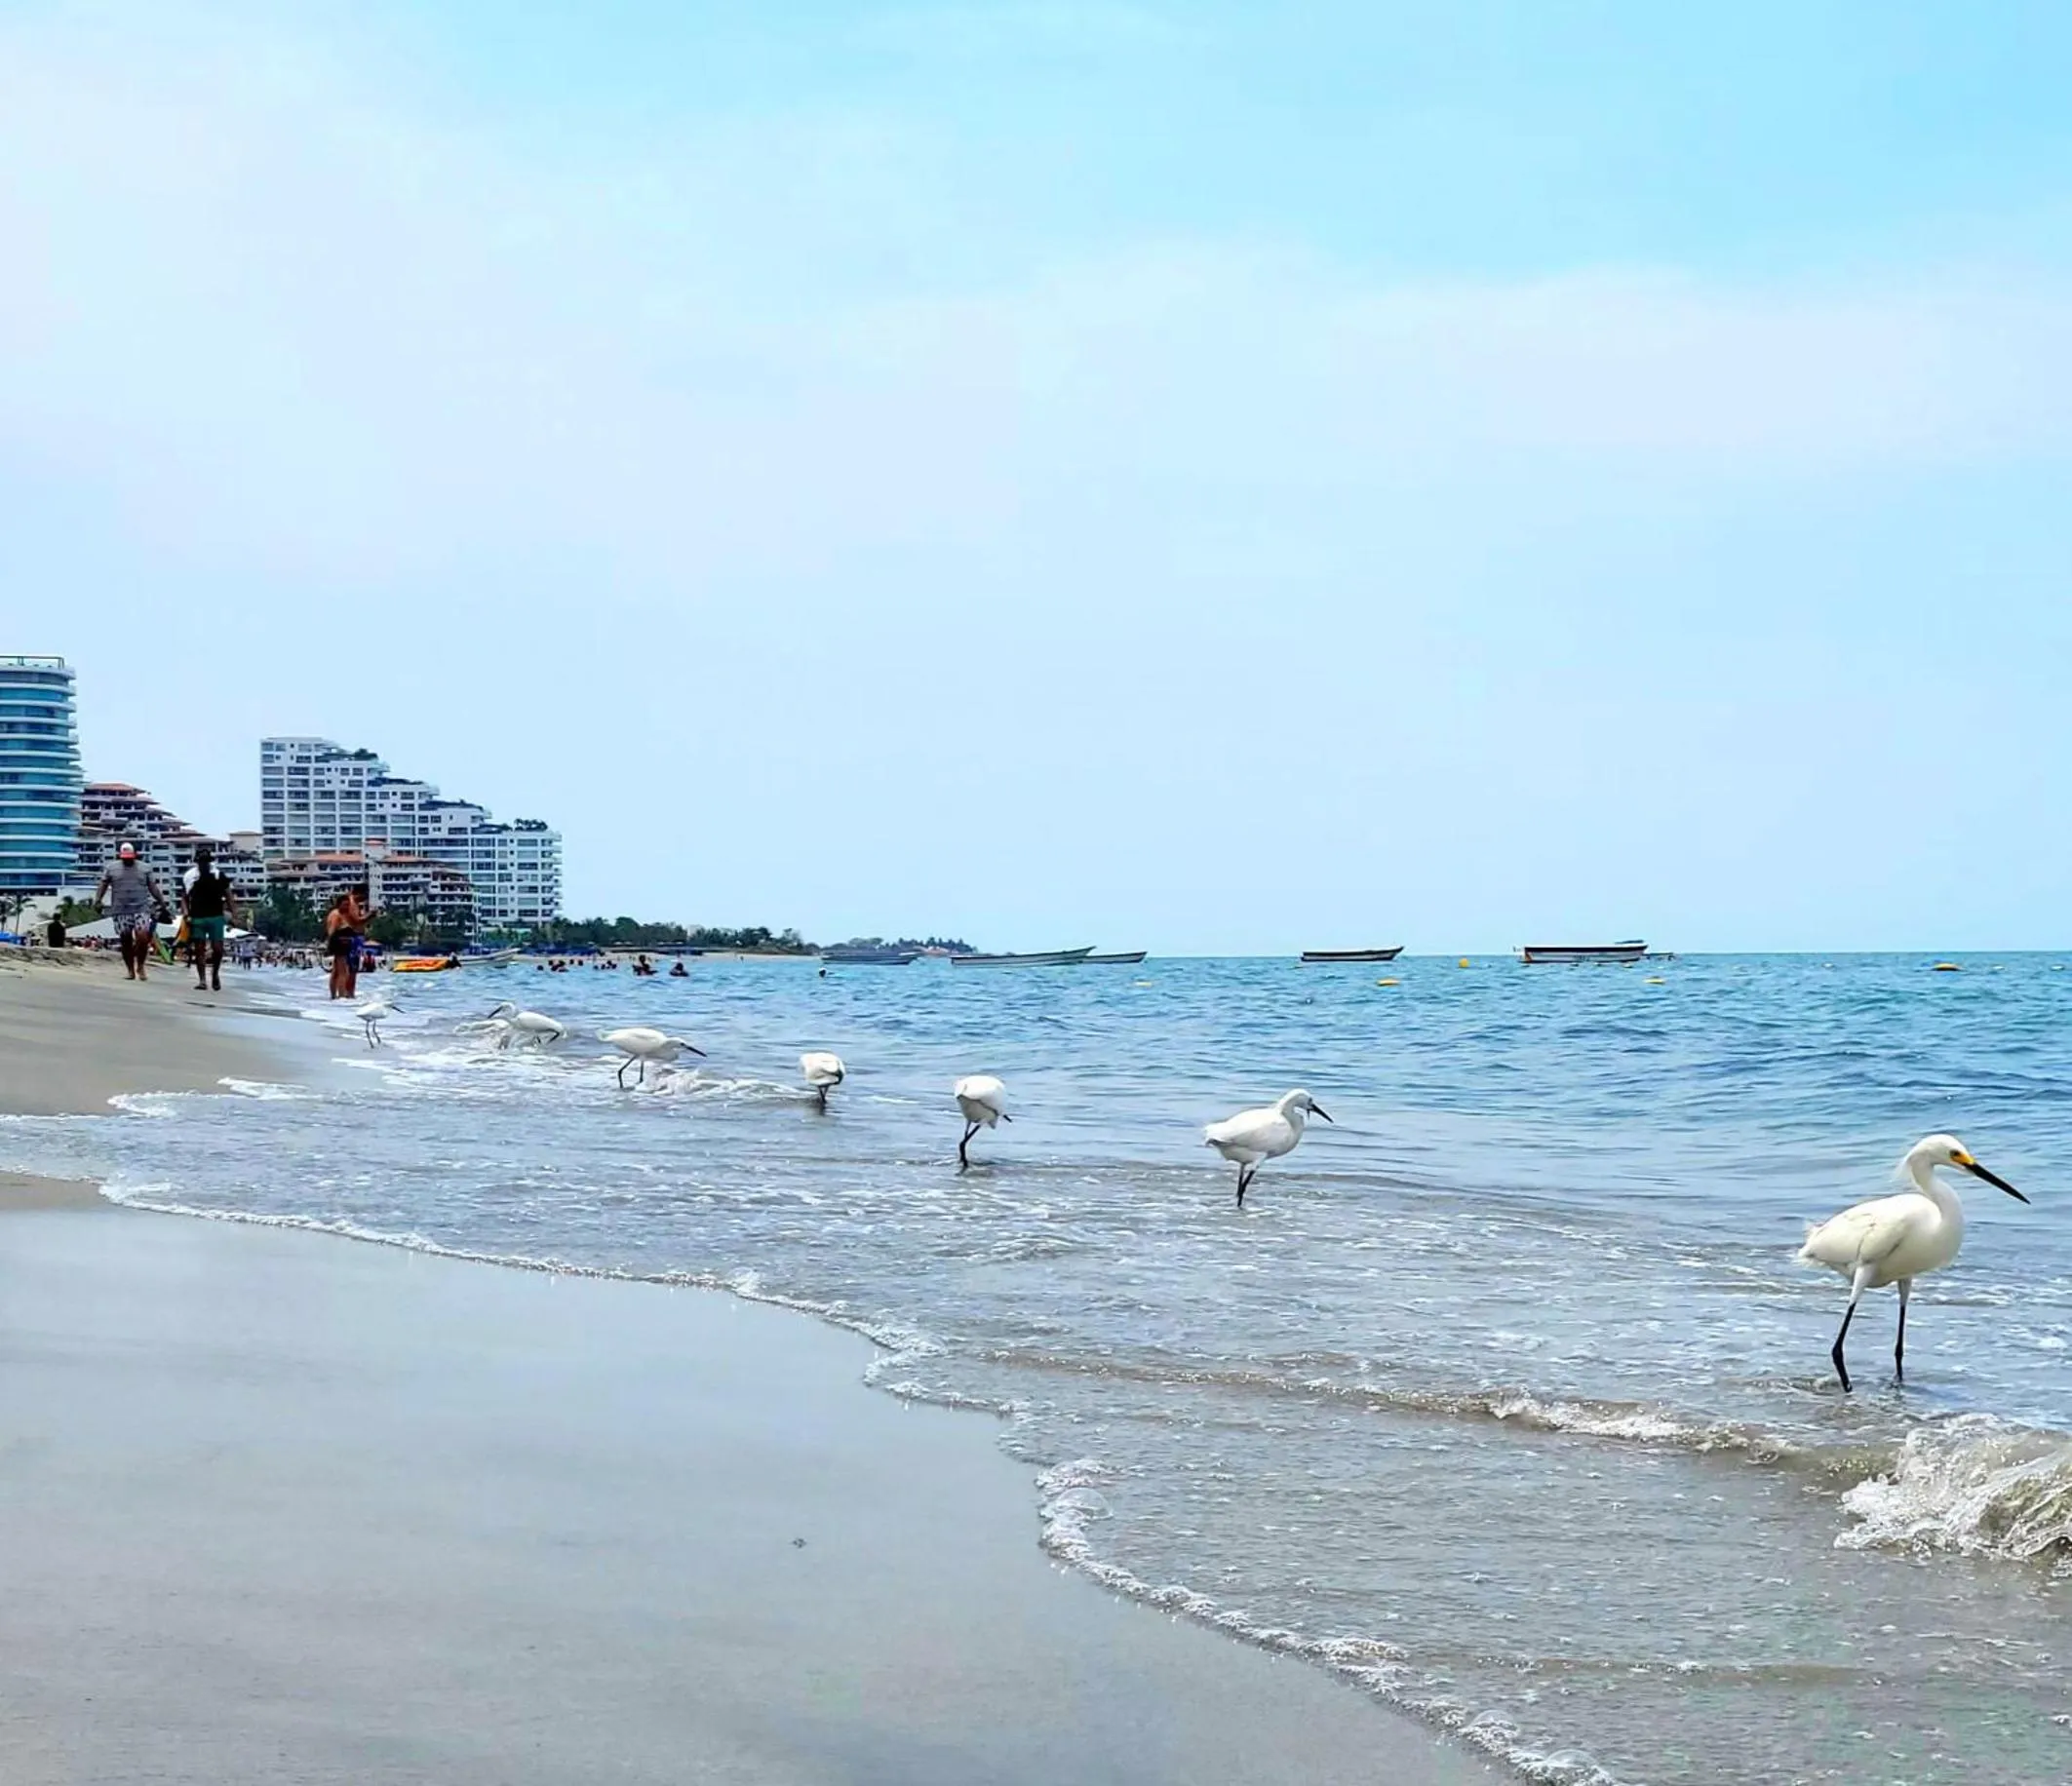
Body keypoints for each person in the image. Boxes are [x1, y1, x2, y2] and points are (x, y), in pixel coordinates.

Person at [94, 842, 169, 982]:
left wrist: (162, 902)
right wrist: (98, 900)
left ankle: (140, 966)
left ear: (135, 855)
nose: (127, 859)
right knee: (126, 940)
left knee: (142, 937)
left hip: (141, 908)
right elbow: (103, 884)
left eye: (129, 857)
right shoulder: (111, 868)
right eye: (124, 857)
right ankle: (130, 970)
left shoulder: (145, 868)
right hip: (120, 909)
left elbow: (152, 886)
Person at [181, 845, 237, 993]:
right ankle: (202, 980)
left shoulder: (219, 875)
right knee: (199, 949)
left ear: (209, 862)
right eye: (201, 861)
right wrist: (186, 914)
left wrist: (234, 915)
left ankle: (215, 974)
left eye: (206, 861)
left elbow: (229, 895)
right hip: (197, 916)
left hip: (216, 916)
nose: (204, 864)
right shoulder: (190, 877)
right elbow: (184, 898)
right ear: (197, 862)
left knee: (218, 950)